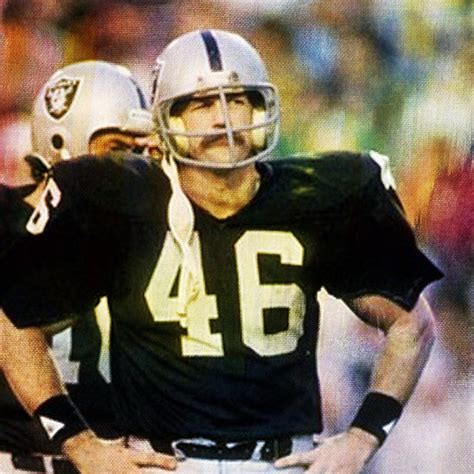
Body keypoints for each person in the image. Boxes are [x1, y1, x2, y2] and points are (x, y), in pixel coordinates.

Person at [0, 29, 442, 473]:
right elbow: (15, 323)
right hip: (164, 462)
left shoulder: (318, 194)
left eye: (238, 99)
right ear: (168, 120)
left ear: (263, 107)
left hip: (281, 461)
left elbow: (413, 324)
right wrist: (80, 444)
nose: (224, 119)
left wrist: (363, 436)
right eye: (202, 104)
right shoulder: (121, 199)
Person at [0, 60, 176, 473]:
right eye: (118, 148)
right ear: (62, 141)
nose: (135, 166)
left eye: (143, 151)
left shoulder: (159, 225)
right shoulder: (6, 220)